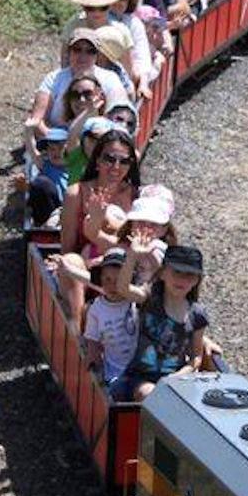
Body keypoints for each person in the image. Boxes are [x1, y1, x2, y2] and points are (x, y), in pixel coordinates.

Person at [56, 129, 141, 327]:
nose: (116, 167)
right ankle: (78, 329)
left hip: (121, 267)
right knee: (71, 260)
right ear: (97, 161)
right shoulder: (76, 193)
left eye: (124, 161)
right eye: (109, 159)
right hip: (86, 266)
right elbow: (68, 245)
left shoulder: (136, 196)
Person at [116, 242, 220, 400]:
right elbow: (123, 289)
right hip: (142, 376)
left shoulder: (197, 313)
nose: (182, 280)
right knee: (149, 393)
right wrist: (132, 256)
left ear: (197, 280)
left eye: (189, 275)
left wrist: (177, 376)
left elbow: (195, 358)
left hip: (176, 378)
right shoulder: (150, 298)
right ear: (163, 273)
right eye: (177, 272)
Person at [26, 29, 129, 137]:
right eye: (77, 49)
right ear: (68, 52)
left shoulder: (110, 79)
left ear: (97, 55)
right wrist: (57, 142)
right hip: (55, 141)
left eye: (90, 51)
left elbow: (122, 115)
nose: (83, 56)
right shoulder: (53, 79)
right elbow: (37, 120)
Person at [83, 249, 139, 396]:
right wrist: (93, 359)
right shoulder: (96, 308)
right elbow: (92, 339)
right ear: (100, 280)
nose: (113, 286)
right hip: (113, 369)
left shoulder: (135, 303)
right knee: (117, 392)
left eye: (118, 281)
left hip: (139, 367)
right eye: (107, 280)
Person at [23, 125, 70, 225]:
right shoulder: (46, 165)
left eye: (60, 148)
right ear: (47, 151)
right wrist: (28, 131)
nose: (56, 152)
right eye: (52, 149)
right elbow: (32, 149)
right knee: (41, 183)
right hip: (51, 207)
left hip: (68, 208)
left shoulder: (75, 167)